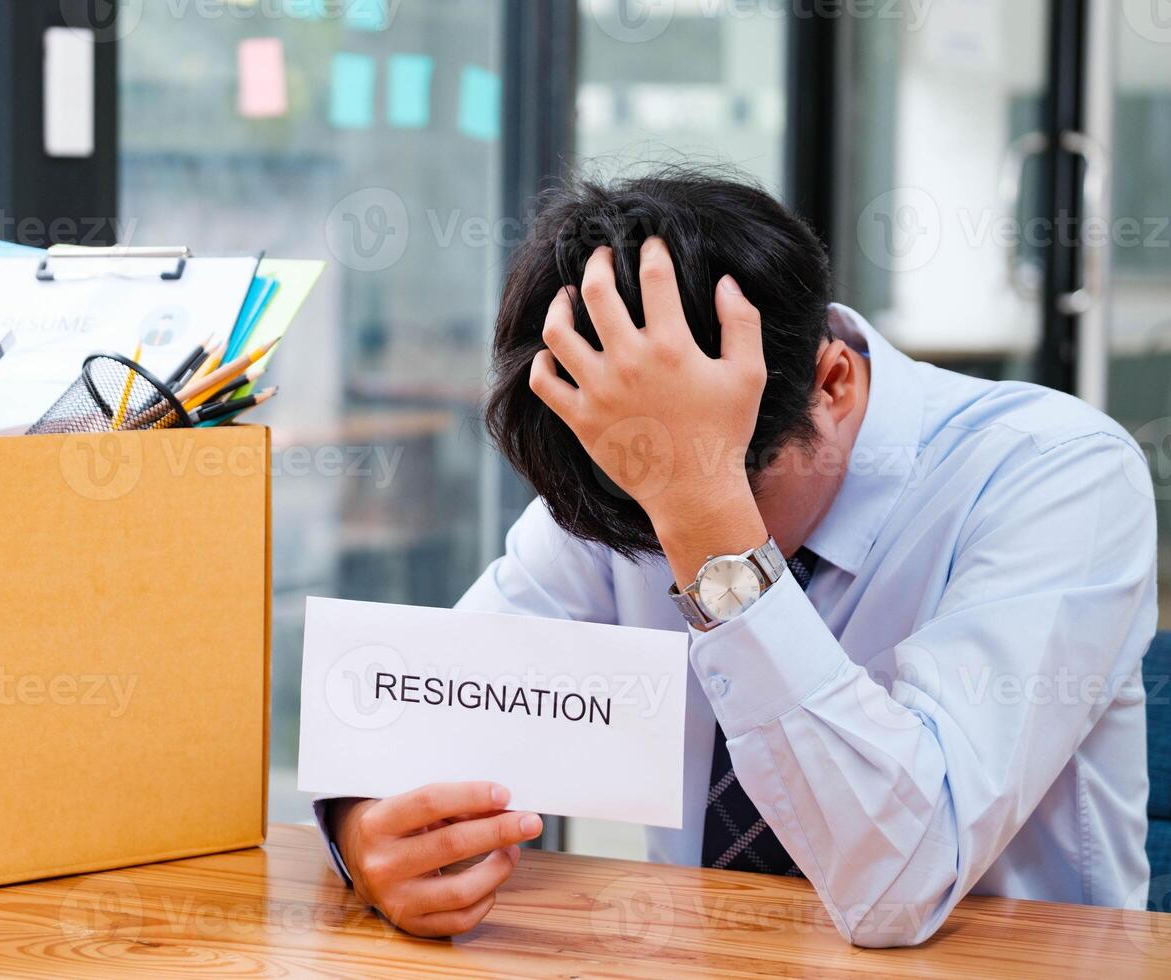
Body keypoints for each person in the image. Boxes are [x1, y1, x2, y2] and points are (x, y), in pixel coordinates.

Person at [314, 169, 1158, 947]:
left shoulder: (1054, 473)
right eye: (643, 505)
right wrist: (366, 830)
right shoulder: (626, 460)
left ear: (832, 383)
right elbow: (422, 718)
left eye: (703, 480)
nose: (657, 537)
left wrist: (699, 504)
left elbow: (903, 878)